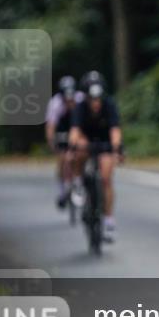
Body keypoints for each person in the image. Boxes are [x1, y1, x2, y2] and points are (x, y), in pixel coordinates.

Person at [69, 71, 123, 242]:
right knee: (79, 151)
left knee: (106, 178)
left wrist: (117, 149)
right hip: (86, 140)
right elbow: (75, 131)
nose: (95, 103)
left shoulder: (109, 105)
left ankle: (108, 220)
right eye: (92, 99)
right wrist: (72, 146)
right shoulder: (80, 108)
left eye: (98, 98)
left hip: (105, 141)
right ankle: (78, 182)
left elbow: (115, 130)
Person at [46, 75, 79, 208]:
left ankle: (79, 180)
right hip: (61, 130)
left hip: (77, 128)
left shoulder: (81, 99)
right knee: (62, 159)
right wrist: (52, 141)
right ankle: (62, 189)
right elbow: (51, 127)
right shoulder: (55, 104)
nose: (69, 101)